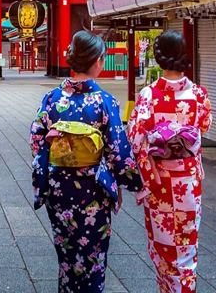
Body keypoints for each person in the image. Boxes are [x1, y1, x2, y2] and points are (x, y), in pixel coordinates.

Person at [30, 31, 142, 293]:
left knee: (67, 256)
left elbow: (37, 140)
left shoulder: (53, 99)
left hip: (58, 188)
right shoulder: (104, 101)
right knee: (93, 258)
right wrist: (133, 184)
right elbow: (118, 151)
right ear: (98, 61)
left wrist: (54, 146)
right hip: (92, 190)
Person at [127, 31, 212, 292]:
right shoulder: (198, 95)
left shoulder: (148, 96)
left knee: (163, 248)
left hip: (160, 182)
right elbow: (204, 127)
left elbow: (134, 137)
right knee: (186, 248)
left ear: (158, 56)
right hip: (187, 183)